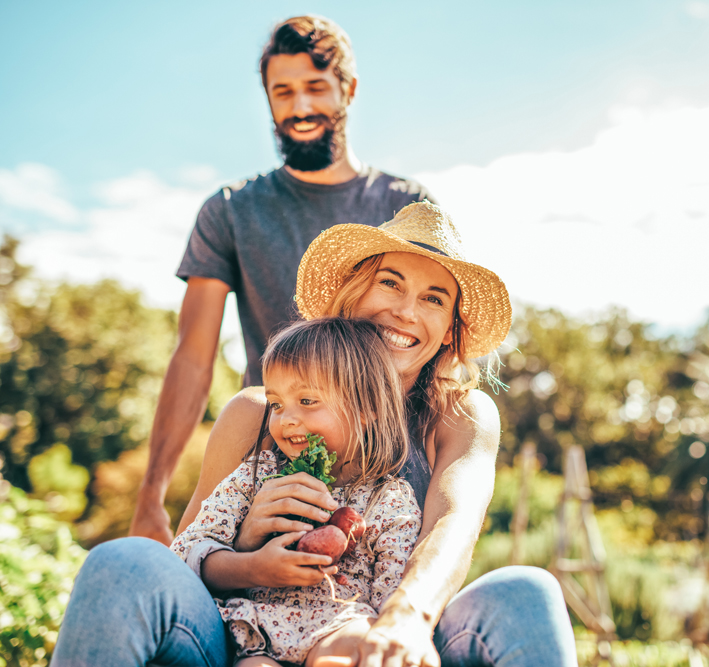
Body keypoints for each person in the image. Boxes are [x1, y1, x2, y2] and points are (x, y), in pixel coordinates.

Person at [53, 201, 578, 667]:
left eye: (434, 299)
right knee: (121, 562)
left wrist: (406, 618)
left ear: (450, 331)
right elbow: (186, 559)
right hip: (241, 635)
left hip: (375, 629)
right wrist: (247, 540)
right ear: (353, 293)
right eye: (390, 282)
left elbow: (453, 524)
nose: (405, 310)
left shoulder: (459, 414)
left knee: (527, 590)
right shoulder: (256, 413)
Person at [130, 14, 434, 546]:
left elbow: (432, 338)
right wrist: (151, 492)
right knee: (217, 593)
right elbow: (193, 357)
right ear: (267, 97)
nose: (300, 107)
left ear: (349, 90)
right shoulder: (231, 211)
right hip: (271, 457)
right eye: (283, 91)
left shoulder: (403, 206)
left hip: (389, 464)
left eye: (315, 88)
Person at [172, 317, 421, 666]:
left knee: (357, 644)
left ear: (367, 409)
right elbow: (185, 552)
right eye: (276, 404)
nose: (286, 418)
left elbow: (392, 590)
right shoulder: (256, 477)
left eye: (307, 400)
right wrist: (252, 567)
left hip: (340, 624)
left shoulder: (389, 499)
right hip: (257, 632)